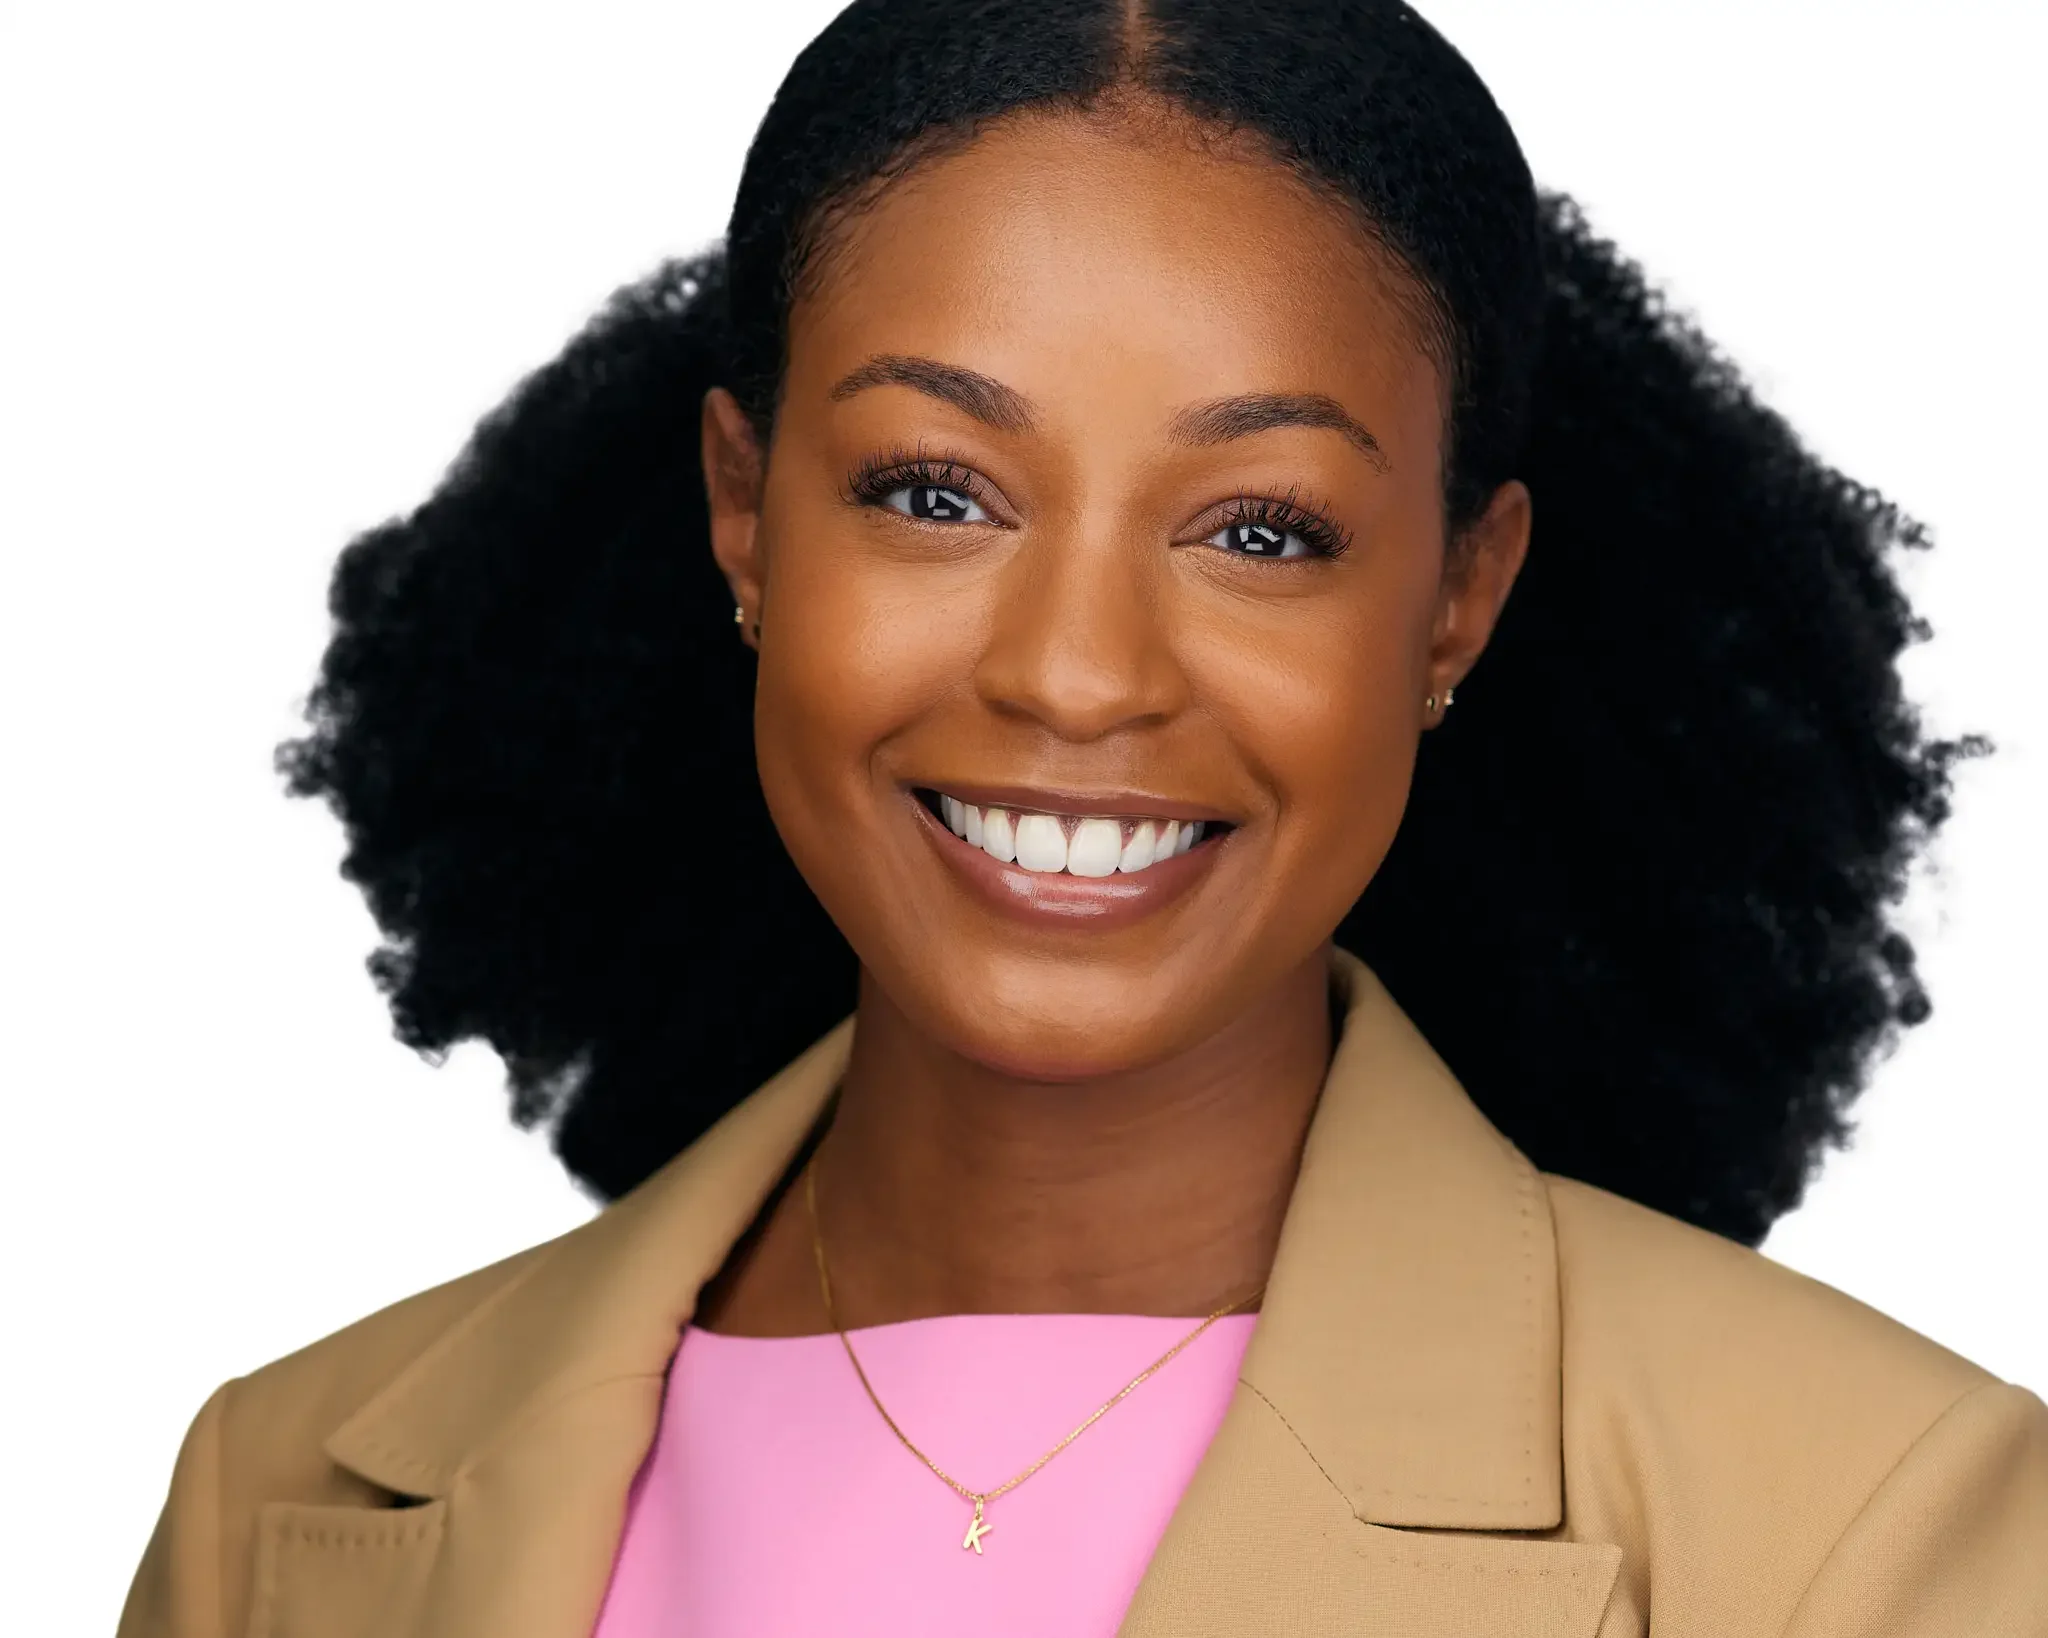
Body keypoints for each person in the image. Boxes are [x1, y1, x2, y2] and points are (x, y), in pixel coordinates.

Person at [120, 1, 2048, 1633]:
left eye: (1262, 528)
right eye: (938, 492)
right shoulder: (276, 1503)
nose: (1075, 670)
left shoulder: (1879, 1531)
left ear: (1458, 597)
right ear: (742, 508)